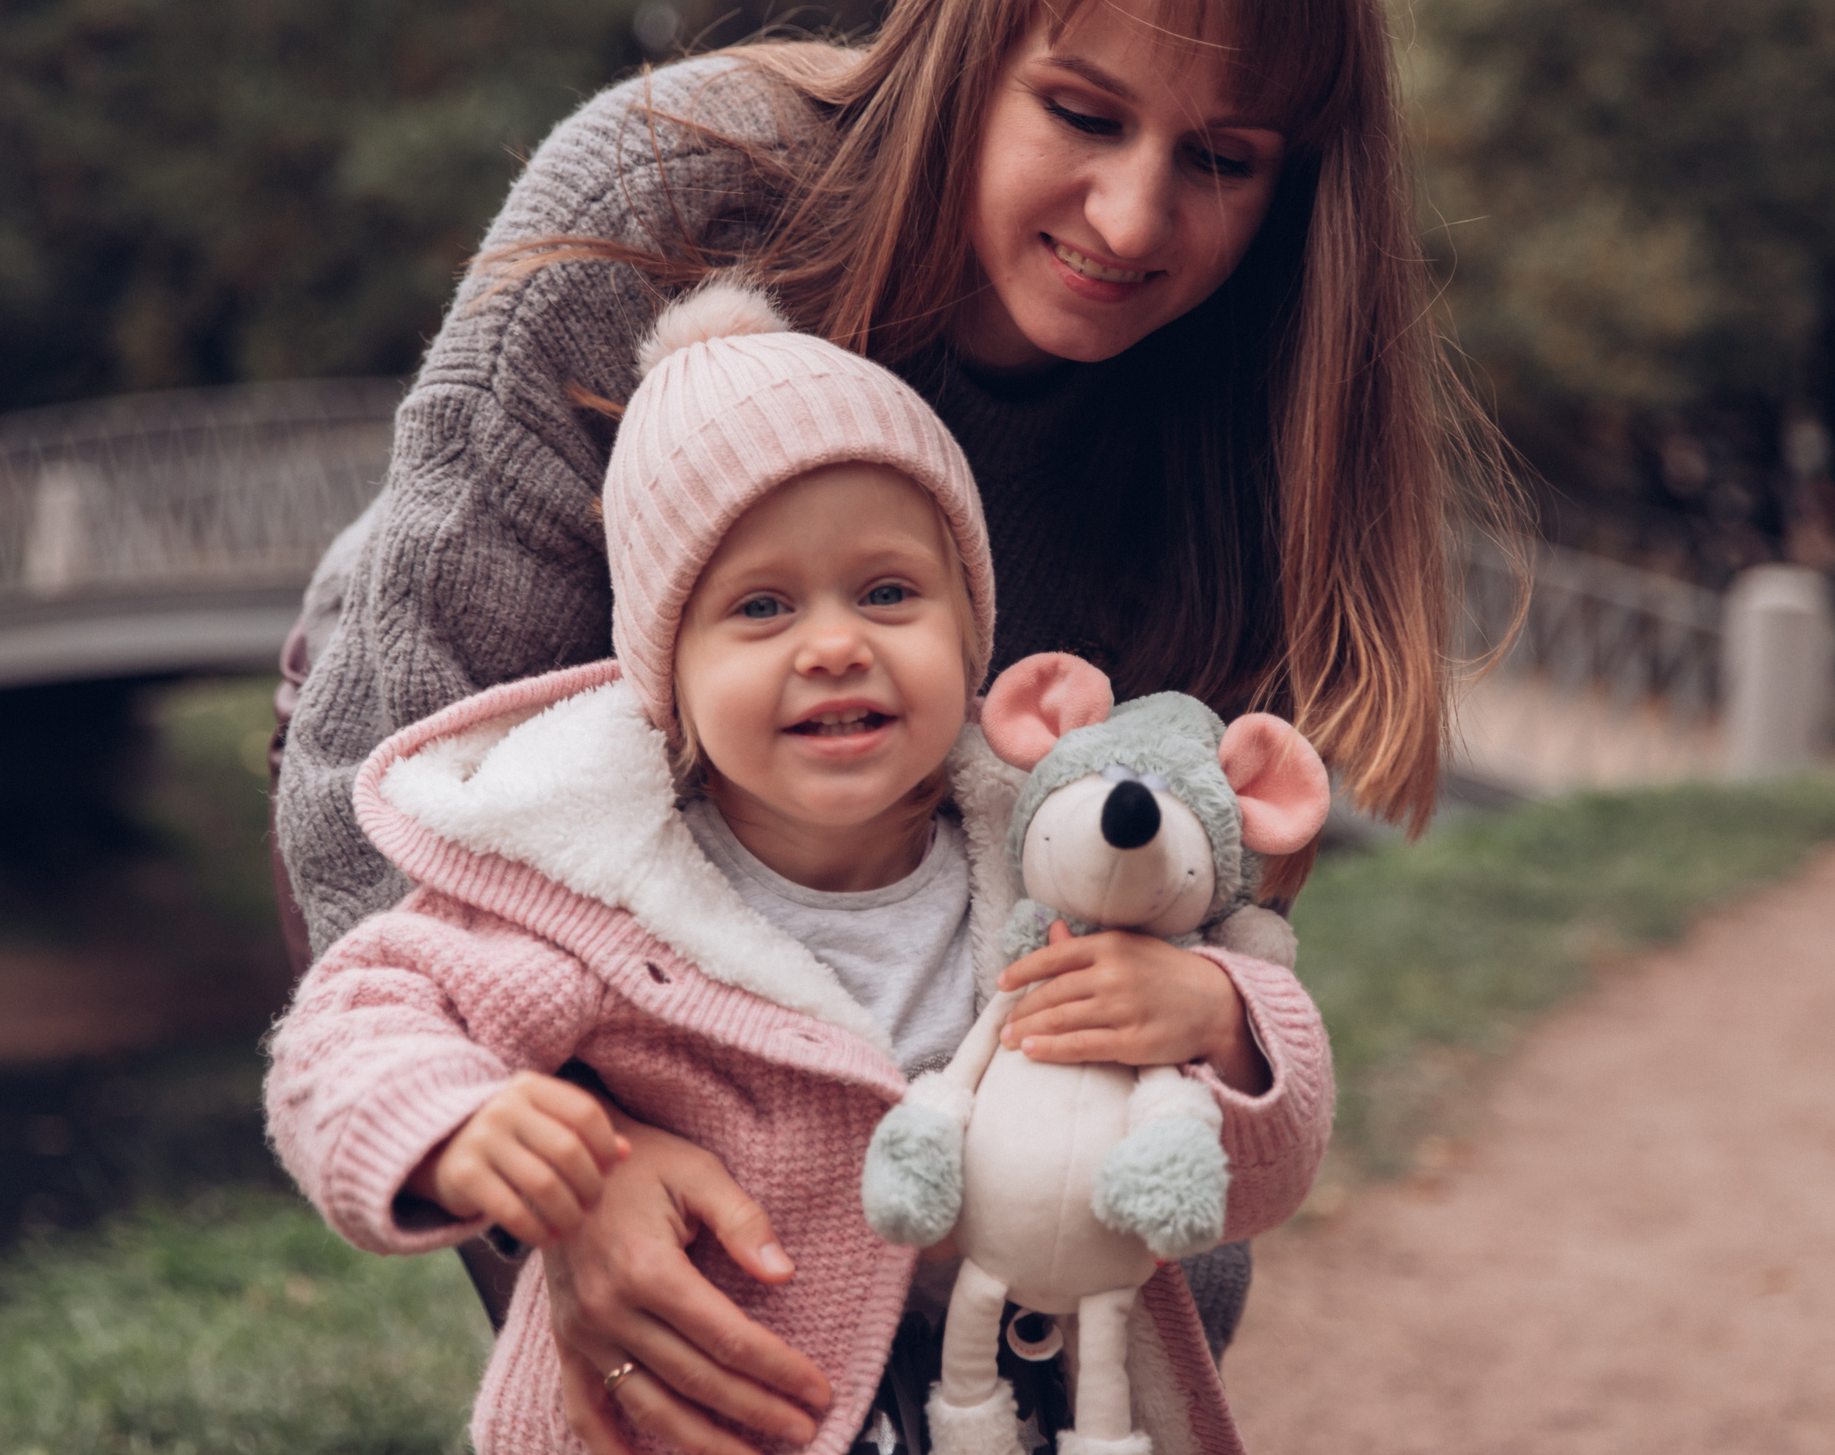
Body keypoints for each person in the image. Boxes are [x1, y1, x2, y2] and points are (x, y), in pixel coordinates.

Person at [272, 0, 1501, 1451]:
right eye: (1080, 113)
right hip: (483, 793)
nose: (1132, 215)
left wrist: (1138, 1247)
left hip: (912, 923)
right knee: (682, 1337)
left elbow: (1153, 968)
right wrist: (571, 1177)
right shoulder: (662, 204)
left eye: (1220, 158)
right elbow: (369, 777)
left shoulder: (1244, 428)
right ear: (963, 50)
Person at [266, 290, 1333, 1455]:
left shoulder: (1055, 872)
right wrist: (457, 1123)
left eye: (887, 592)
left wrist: (1222, 1023)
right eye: (760, 607)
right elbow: (354, 1023)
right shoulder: (598, 900)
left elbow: (1263, 1178)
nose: (834, 645)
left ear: (973, 639)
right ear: (665, 676)